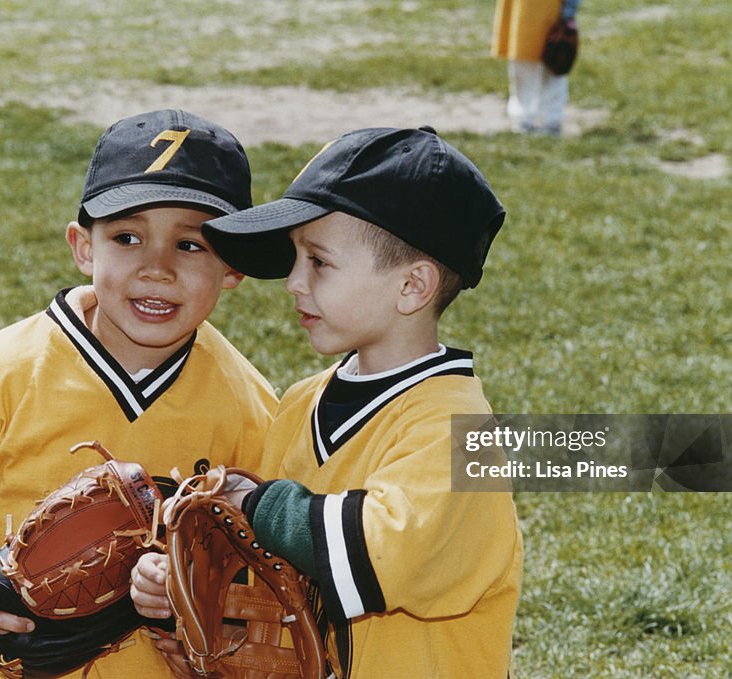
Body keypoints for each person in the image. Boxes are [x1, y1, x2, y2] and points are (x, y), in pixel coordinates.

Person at [0, 108, 278, 678]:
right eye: (128, 237)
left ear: (233, 266)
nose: (156, 268)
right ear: (84, 247)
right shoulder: (6, 368)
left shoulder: (249, 404)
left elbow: (263, 551)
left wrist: (199, 592)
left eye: (191, 245)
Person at [133, 126, 524, 678]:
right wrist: (184, 580)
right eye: (296, 258)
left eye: (318, 261)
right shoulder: (301, 403)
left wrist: (260, 506)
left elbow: (380, 552)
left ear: (412, 287)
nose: (293, 281)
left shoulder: (458, 430)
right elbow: (267, 569)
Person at [492, 0, 582, 136]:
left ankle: (551, 119)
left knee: (553, 62)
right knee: (523, 62)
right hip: (521, 9)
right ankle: (523, 117)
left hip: (551, 10)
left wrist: (568, 13)